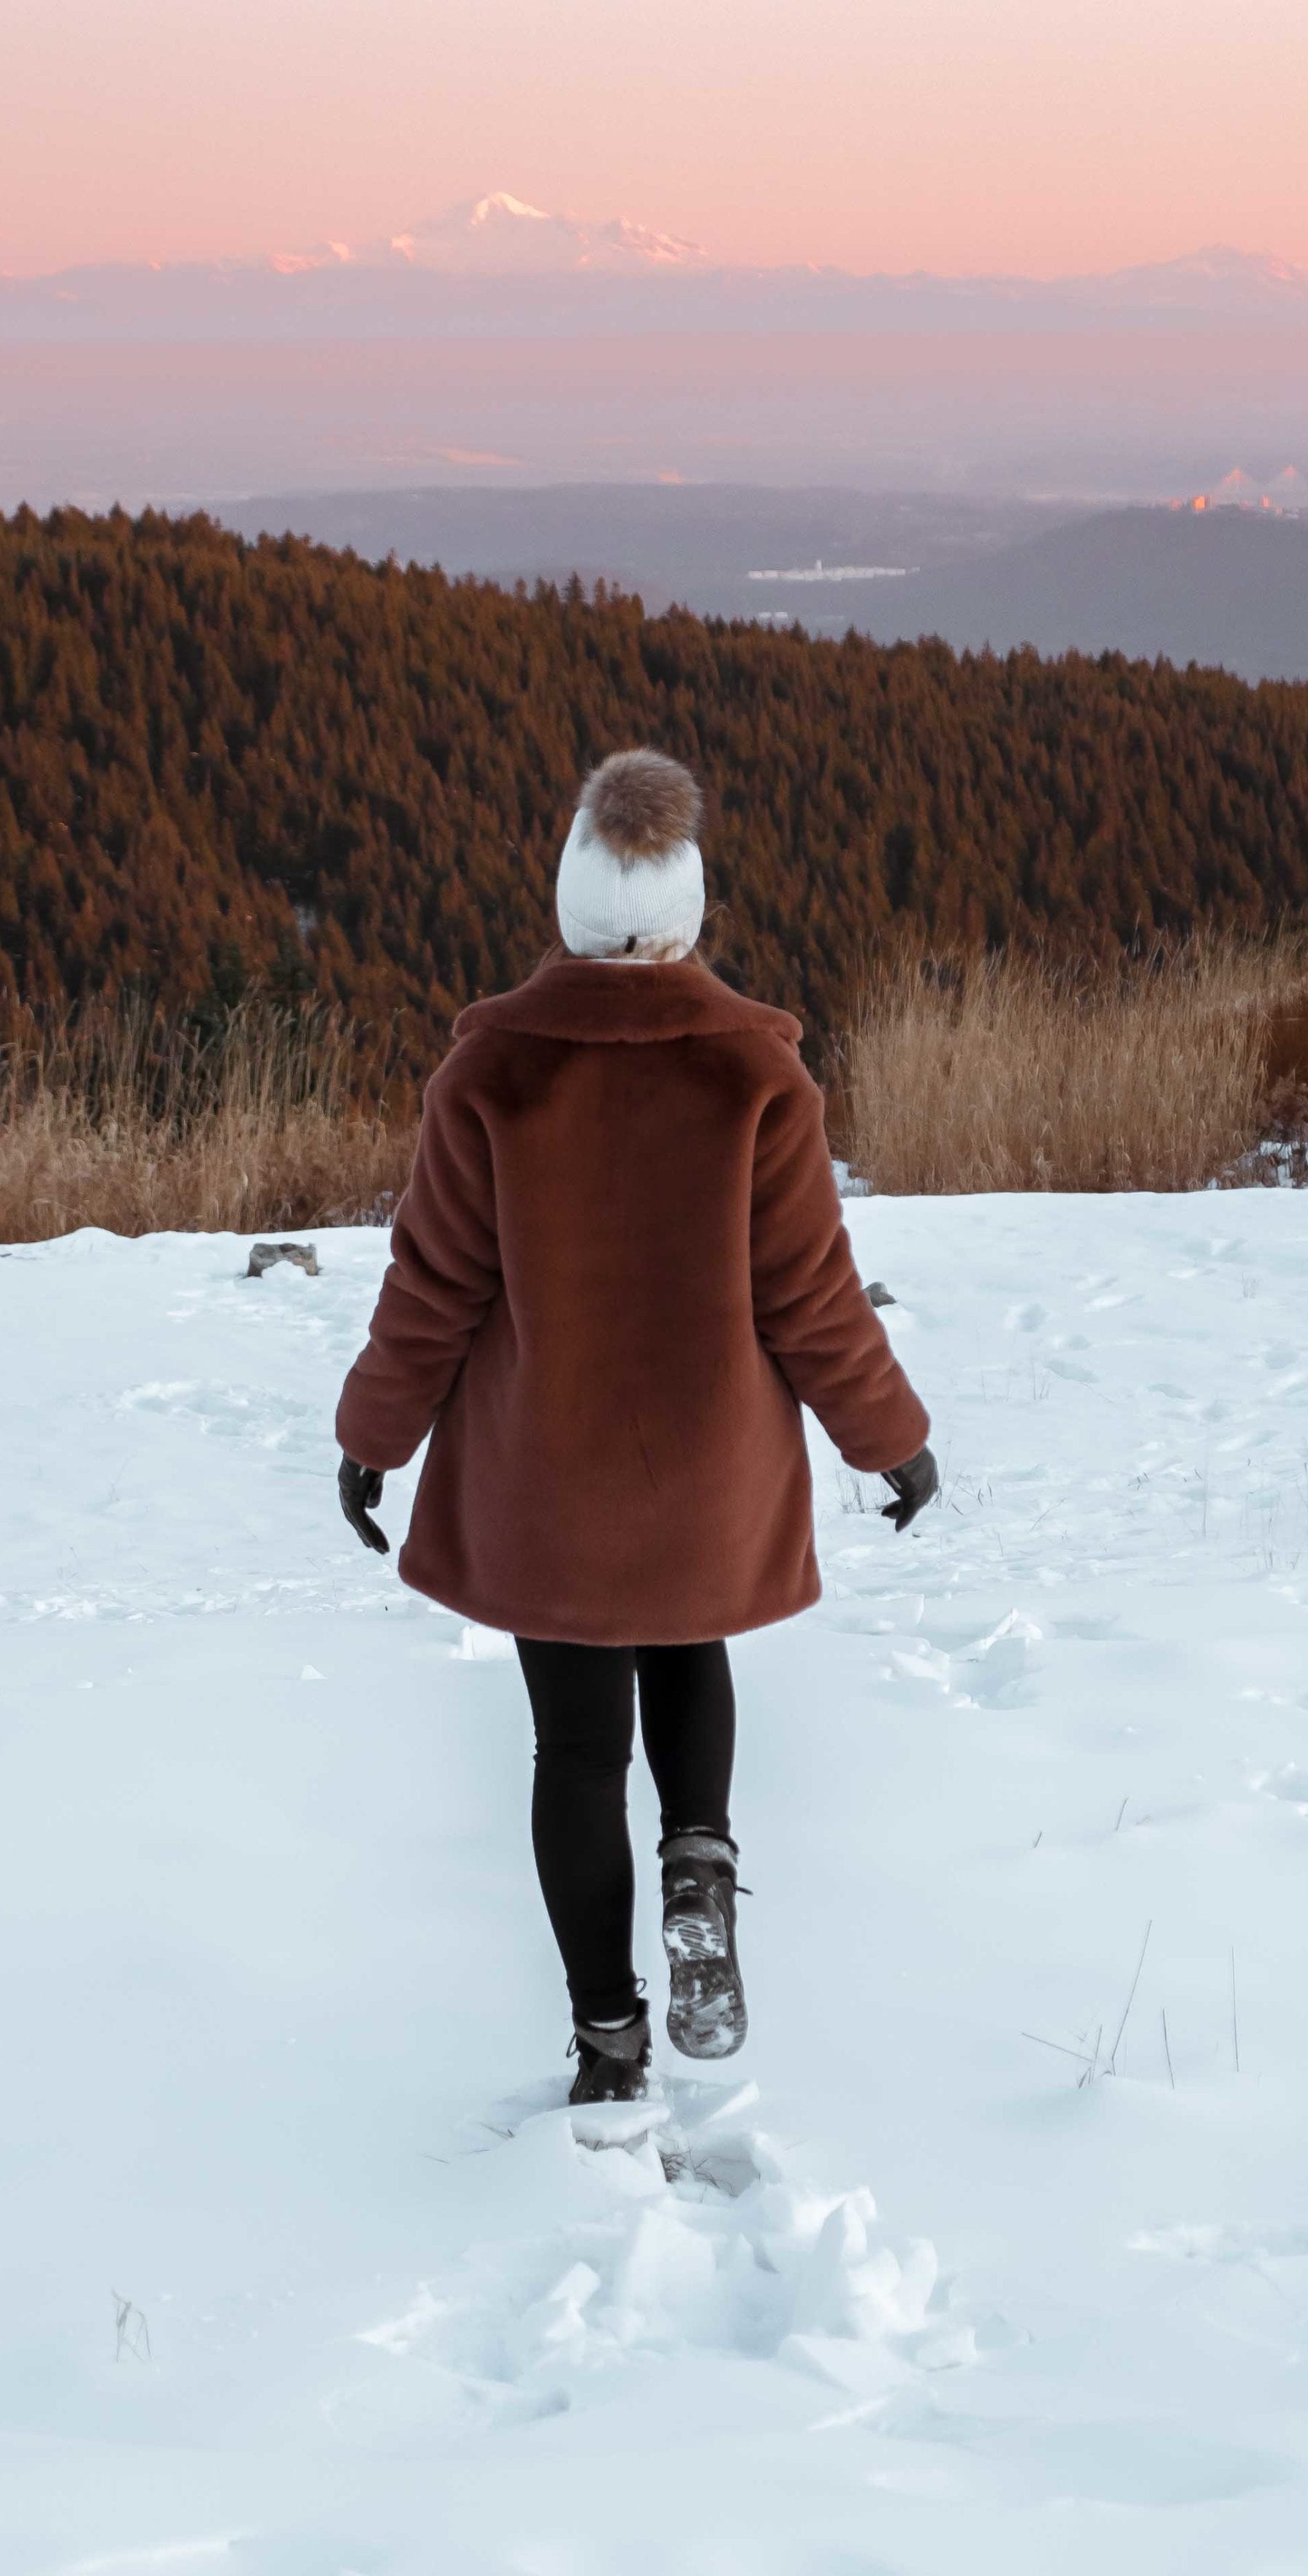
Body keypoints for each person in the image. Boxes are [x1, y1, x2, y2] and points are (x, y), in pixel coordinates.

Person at [334, 749, 937, 2102]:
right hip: (706, 1467)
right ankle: (702, 1863)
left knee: (574, 1751)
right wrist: (888, 1436)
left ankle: (610, 2041)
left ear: (569, 909)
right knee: (689, 1654)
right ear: (687, 912)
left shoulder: (491, 1071)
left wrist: (374, 1437)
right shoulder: (753, 1075)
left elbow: (435, 1285)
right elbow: (807, 1291)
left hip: (547, 1485)